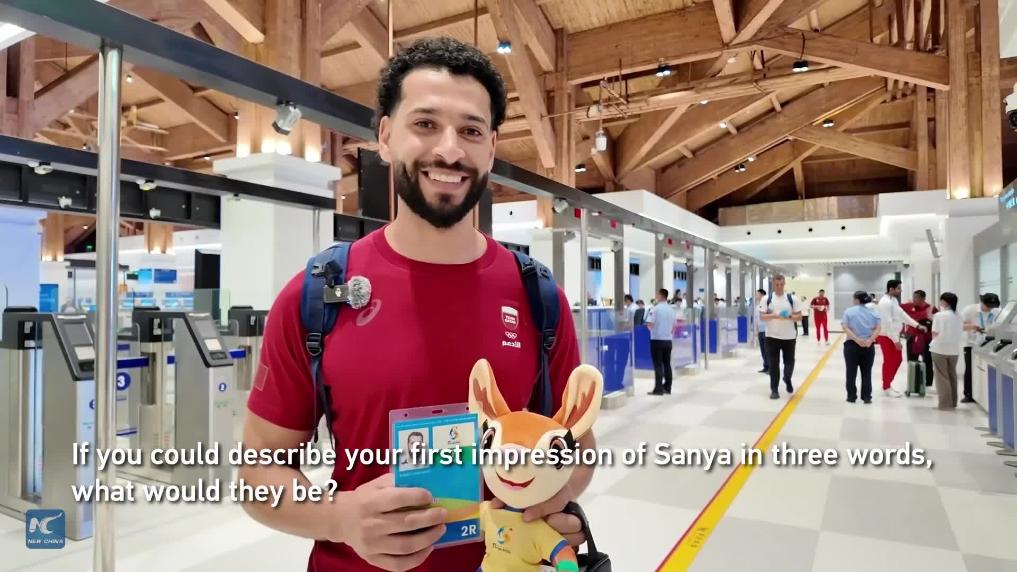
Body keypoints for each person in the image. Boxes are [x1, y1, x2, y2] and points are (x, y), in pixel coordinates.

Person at [239, 37, 591, 572]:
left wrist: (550, 495)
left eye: (471, 131)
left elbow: (579, 447)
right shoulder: (318, 295)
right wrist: (339, 517)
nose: (449, 150)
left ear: (491, 148)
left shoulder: (537, 296)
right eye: (425, 124)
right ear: (385, 136)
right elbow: (258, 469)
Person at [876, 280, 926, 398]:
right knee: (890, 361)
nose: (901, 290)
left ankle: (887, 384)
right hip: (886, 336)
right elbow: (888, 324)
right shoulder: (885, 303)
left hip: (893, 335)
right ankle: (886, 386)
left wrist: (917, 325)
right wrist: (896, 341)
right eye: (898, 288)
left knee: (897, 360)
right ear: (891, 289)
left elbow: (902, 315)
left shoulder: (893, 300)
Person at [758, 275, 802, 399]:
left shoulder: (792, 299)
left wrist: (789, 317)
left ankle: (787, 378)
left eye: (781, 284)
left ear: (784, 284)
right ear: (773, 284)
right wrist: (775, 315)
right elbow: (762, 316)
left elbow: (799, 317)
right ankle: (774, 390)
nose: (779, 287)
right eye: (777, 284)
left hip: (789, 337)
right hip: (771, 337)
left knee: (790, 362)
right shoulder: (766, 299)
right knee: (773, 364)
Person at [841, 291, 881, 404]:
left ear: (857, 299)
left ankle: (851, 396)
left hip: (851, 345)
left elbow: (845, 327)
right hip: (868, 345)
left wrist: (857, 339)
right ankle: (867, 396)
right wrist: (870, 340)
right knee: (867, 372)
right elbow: (878, 328)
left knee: (851, 372)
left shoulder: (849, 311)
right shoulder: (874, 311)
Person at [961, 292, 1001, 403]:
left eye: (992, 306)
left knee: (985, 370)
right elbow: (959, 326)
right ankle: (968, 394)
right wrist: (973, 327)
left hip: (990, 345)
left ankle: (984, 395)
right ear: (982, 302)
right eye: (988, 306)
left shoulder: (997, 311)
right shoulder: (969, 310)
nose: (990, 309)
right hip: (971, 344)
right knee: (969, 370)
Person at [931, 292, 964, 410]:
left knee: (942, 377)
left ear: (945, 302)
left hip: (939, 349)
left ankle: (945, 404)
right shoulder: (959, 316)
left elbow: (934, 333)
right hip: (954, 350)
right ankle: (953, 402)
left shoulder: (939, 315)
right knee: (952, 376)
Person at [646, 288, 679, 395]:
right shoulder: (671, 310)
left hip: (657, 340)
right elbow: (674, 326)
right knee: (667, 364)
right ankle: (668, 387)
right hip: (668, 340)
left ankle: (658, 388)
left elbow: (650, 324)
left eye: (657, 295)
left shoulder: (655, 309)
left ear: (660, 296)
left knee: (658, 364)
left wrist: (652, 330)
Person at [901, 290, 936, 388]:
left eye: (916, 297)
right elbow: (895, 307)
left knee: (927, 360)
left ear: (923, 298)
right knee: (911, 360)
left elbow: (938, 321)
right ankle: (913, 381)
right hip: (912, 337)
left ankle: (928, 382)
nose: (914, 299)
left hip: (926, 338)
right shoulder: (908, 306)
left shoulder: (931, 309)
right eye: (913, 297)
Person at [754, 289, 769, 374]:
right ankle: (765, 366)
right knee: (763, 351)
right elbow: (756, 319)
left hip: (767, 330)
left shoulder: (768, 305)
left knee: (768, 351)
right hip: (760, 331)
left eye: (757, 294)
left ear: (762, 295)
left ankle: (770, 368)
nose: (756, 296)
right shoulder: (757, 306)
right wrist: (756, 330)